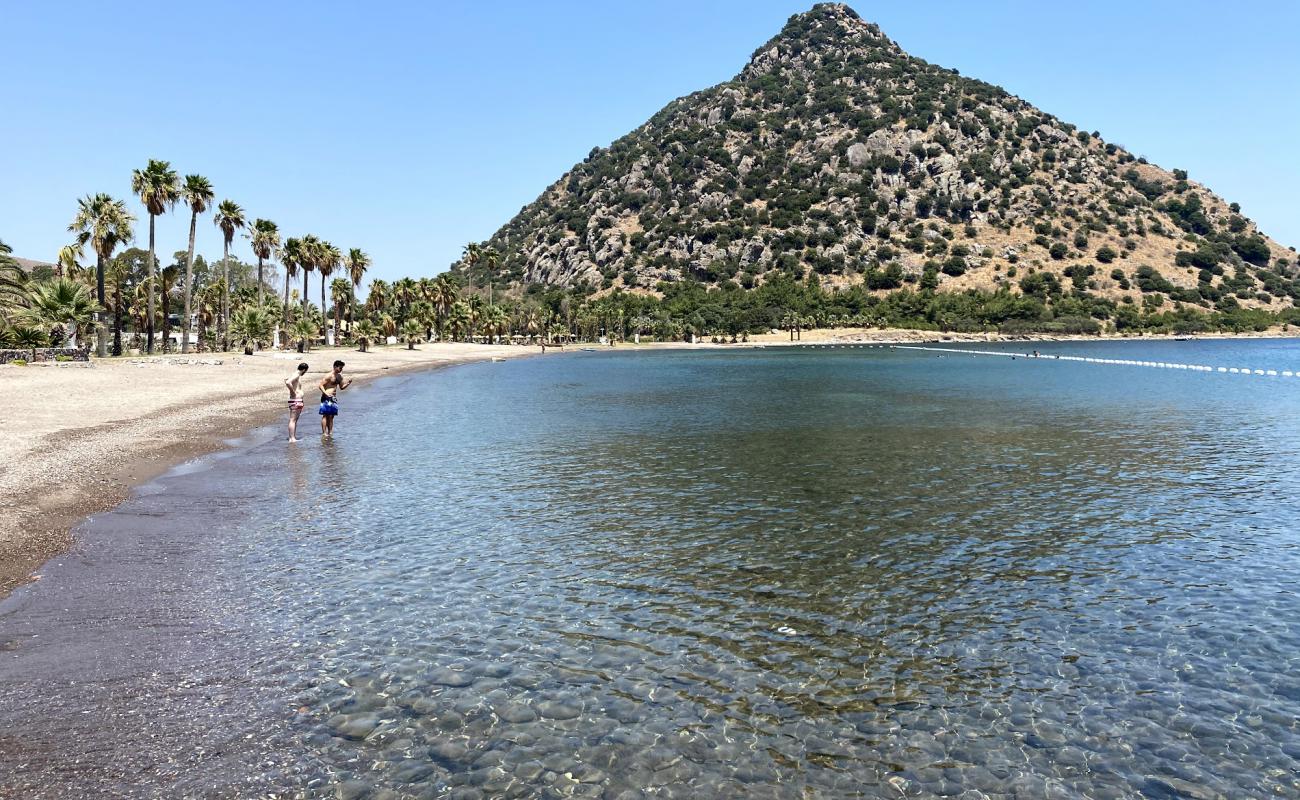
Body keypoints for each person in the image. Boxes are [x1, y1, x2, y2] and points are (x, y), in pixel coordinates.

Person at [318, 360, 352, 437]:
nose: (341, 369)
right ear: (335, 366)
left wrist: (348, 383)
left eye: (342, 368)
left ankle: (330, 432)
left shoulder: (339, 376)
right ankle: (324, 433)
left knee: (332, 416)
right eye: (340, 368)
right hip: (326, 397)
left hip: (333, 398)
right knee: (325, 415)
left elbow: (342, 388)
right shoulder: (329, 375)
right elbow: (320, 385)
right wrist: (325, 393)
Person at [284, 362, 309, 442]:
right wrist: (293, 392)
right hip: (295, 400)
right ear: (304, 370)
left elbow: (286, 381)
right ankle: (292, 438)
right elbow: (288, 382)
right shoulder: (297, 374)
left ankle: (293, 437)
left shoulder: (295, 374)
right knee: (293, 419)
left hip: (296, 400)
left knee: (294, 420)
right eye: (305, 371)